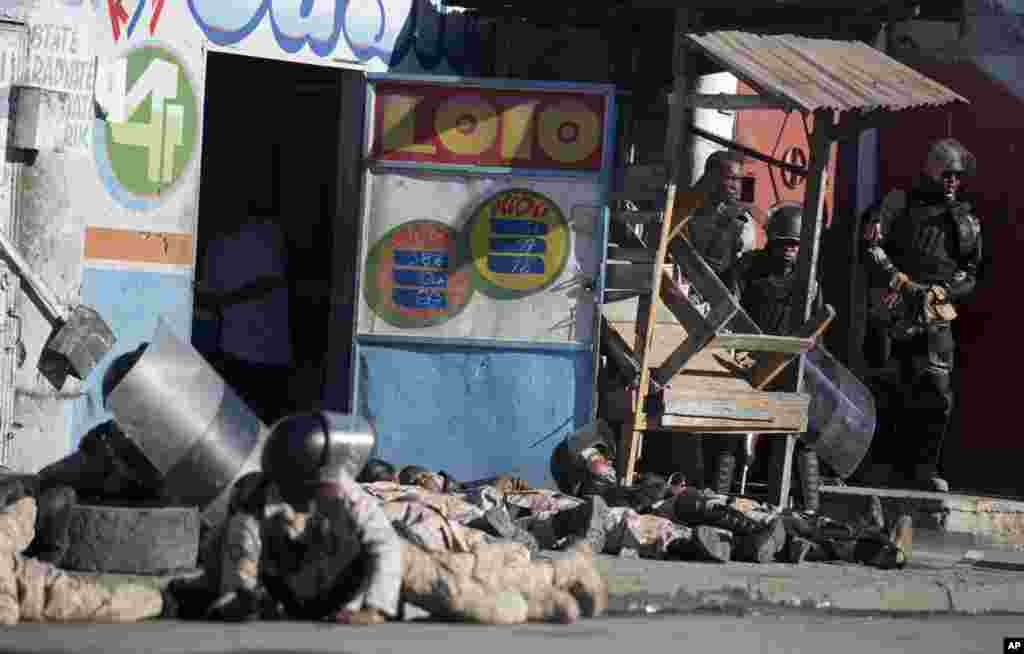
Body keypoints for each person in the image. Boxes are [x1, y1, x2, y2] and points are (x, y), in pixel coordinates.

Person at [206, 411, 607, 625]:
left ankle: (566, 575)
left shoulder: (337, 488)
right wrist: (237, 596)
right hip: (341, 581)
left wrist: (375, 609)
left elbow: (381, 544)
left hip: (399, 566)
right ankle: (556, 582)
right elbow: (240, 561)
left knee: (482, 601)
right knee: (485, 574)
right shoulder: (256, 506)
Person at [861, 138, 982, 492]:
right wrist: (900, 282)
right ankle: (881, 466)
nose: (952, 182)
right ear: (930, 170)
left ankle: (925, 469)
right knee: (888, 386)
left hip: (936, 308)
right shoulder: (899, 203)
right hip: (895, 302)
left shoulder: (966, 219)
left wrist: (942, 292)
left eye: (957, 176)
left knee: (937, 392)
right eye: (946, 174)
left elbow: (970, 273)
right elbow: (871, 246)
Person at [717, 203, 824, 512]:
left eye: (796, 243)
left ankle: (809, 509)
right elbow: (727, 307)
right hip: (748, 362)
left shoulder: (809, 280)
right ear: (773, 239)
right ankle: (719, 500)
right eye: (786, 241)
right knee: (732, 431)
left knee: (801, 435)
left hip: (791, 367)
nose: (791, 249)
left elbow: (818, 331)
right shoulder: (748, 268)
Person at [195, 194, 294, 425]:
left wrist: (224, 300)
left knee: (266, 426)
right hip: (232, 353)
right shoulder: (216, 246)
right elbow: (210, 296)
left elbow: (270, 282)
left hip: (269, 353)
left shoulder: (265, 233)